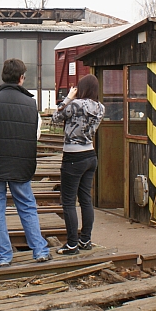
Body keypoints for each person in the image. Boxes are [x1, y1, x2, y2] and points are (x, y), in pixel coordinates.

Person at [0, 59, 51, 266]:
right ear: (21, 78)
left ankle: (3, 256)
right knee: (27, 206)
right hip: (21, 166)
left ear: (3, 77)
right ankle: (40, 251)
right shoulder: (30, 104)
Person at [52, 74, 105, 255]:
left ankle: (72, 244)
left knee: (68, 202)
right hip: (90, 155)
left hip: (73, 157)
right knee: (85, 200)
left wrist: (68, 98)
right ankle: (85, 240)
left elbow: (55, 117)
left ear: (81, 89)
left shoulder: (75, 105)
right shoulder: (100, 108)